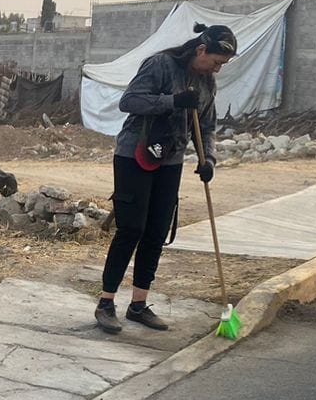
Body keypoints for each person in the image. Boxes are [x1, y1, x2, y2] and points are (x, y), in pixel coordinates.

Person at [96, 23, 236, 334]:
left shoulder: (207, 84)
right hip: (135, 154)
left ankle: (138, 304)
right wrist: (172, 101)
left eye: (221, 65)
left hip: (170, 159)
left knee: (157, 231)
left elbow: (208, 126)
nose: (217, 68)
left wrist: (208, 158)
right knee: (132, 228)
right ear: (201, 50)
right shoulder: (160, 65)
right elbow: (129, 101)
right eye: (215, 61)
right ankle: (106, 303)